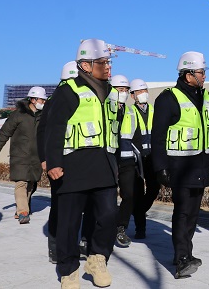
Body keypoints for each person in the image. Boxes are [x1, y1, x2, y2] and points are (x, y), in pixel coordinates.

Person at [45, 39, 119, 289]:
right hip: (73, 166)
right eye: (103, 62)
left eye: (108, 62)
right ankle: (68, 271)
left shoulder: (112, 93)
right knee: (69, 223)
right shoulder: (67, 91)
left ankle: (97, 259)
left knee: (109, 215)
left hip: (104, 164)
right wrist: (53, 161)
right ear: (86, 65)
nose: (108, 67)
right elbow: (53, 128)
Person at [151, 51, 209, 279]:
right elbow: (158, 136)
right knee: (183, 212)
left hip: (201, 165)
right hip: (179, 167)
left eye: (204, 72)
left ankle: (185, 254)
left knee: (194, 213)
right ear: (188, 74)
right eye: (201, 72)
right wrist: (160, 167)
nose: (204, 76)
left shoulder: (205, 97)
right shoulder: (168, 98)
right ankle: (181, 259)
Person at [37, 61, 84, 264]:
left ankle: (76, 243)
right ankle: (55, 246)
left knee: (80, 206)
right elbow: (43, 131)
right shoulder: (56, 98)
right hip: (59, 160)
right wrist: (45, 158)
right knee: (59, 205)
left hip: (78, 161)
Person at [0, 86, 47, 225]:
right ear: (33, 100)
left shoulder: (44, 116)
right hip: (19, 156)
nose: (43, 102)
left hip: (36, 157)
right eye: (42, 99)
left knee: (31, 184)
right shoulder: (18, 115)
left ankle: (22, 208)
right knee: (21, 182)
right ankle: (23, 212)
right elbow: (4, 133)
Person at [127, 78, 160, 240]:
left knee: (154, 188)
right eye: (139, 92)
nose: (143, 94)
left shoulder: (155, 110)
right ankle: (141, 228)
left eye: (144, 91)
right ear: (132, 96)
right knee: (138, 193)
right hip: (136, 159)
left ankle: (137, 211)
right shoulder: (130, 112)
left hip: (152, 157)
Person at [110, 74, 138, 248]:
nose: (124, 93)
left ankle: (121, 227)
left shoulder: (130, 111)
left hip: (127, 159)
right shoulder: (104, 108)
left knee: (129, 195)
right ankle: (105, 227)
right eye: (121, 90)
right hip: (110, 158)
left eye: (126, 90)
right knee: (107, 197)